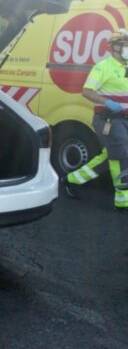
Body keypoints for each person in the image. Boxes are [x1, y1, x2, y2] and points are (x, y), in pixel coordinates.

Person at [63, 30, 128, 212]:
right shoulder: (103, 67)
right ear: (115, 46)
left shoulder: (126, 67)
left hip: (125, 120)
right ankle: (123, 201)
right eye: (126, 44)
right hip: (108, 120)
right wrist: (107, 102)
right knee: (121, 155)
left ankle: (72, 179)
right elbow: (87, 91)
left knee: (110, 157)